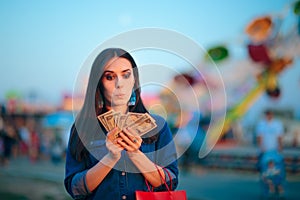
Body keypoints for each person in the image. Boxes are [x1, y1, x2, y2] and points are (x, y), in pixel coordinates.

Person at [64, 48, 179, 200]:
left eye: (126, 75)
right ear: (98, 83)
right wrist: (110, 158)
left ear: (134, 80)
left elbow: (170, 182)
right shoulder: (83, 128)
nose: (120, 84)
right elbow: (75, 188)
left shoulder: (158, 126)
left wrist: (136, 155)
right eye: (110, 77)